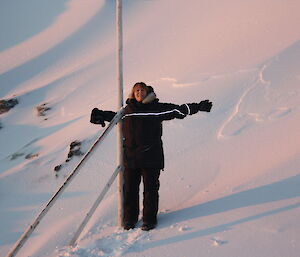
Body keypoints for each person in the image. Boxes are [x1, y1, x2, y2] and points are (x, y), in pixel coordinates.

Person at [90, 82, 212, 231]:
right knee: (129, 190)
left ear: (147, 92)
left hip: (151, 158)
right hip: (131, 159)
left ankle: (149, 220)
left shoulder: (156, 108)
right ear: (133, 93)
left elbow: (177, 110)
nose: (139, 93)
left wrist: (198, 106)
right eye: (136, 91)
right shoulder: (128, 110)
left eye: (142, 90)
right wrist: (99, 114)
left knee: (150, 191)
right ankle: (130, 219)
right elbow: (114, 117)